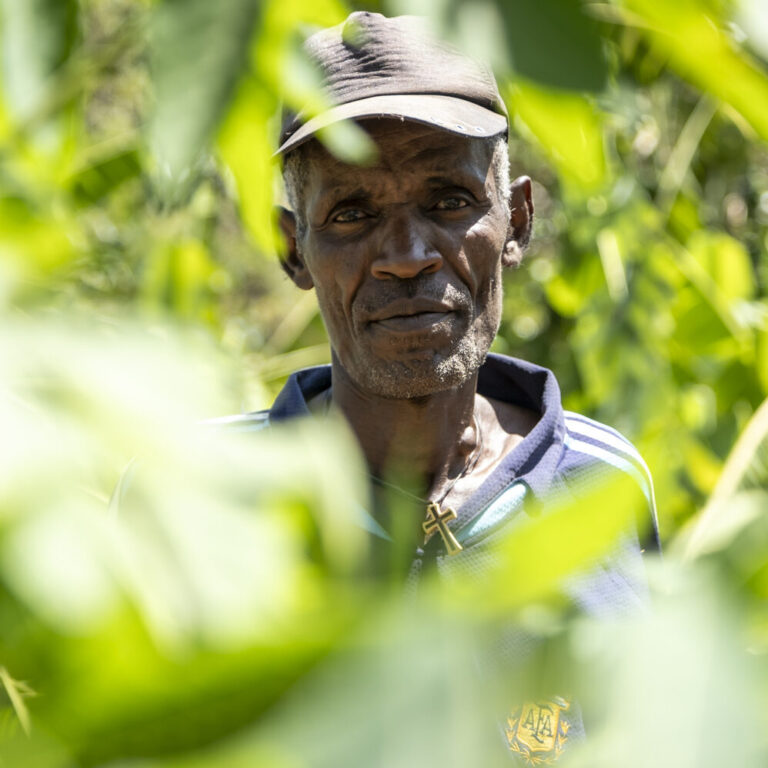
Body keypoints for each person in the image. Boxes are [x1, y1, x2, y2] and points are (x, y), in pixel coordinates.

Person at [222, 11, 659, 763]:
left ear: (516, 220)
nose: (406, 254)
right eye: (352, 212)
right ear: (294, 248)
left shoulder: (605, 488)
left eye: (448, 201)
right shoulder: (206, 497)